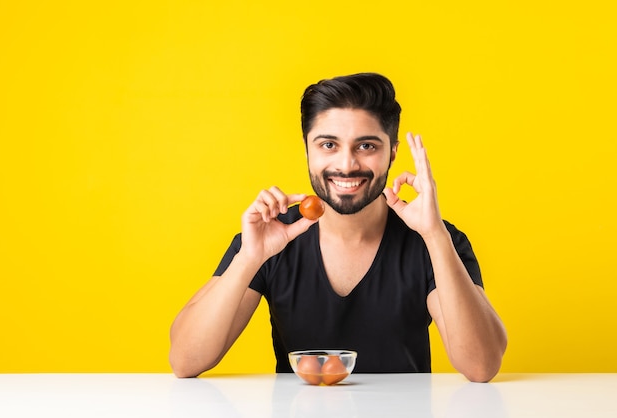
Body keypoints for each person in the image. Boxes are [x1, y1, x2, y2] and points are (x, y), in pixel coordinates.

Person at [169, 73, 507, 382]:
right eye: (328, 145)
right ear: (308, 150)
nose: (347, 165)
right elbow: (185, 360)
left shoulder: (434, 240)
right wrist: (249, 258)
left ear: (392, 154)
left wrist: (435, 236)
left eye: (367, 146)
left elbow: (481, 366)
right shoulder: (270, 238)